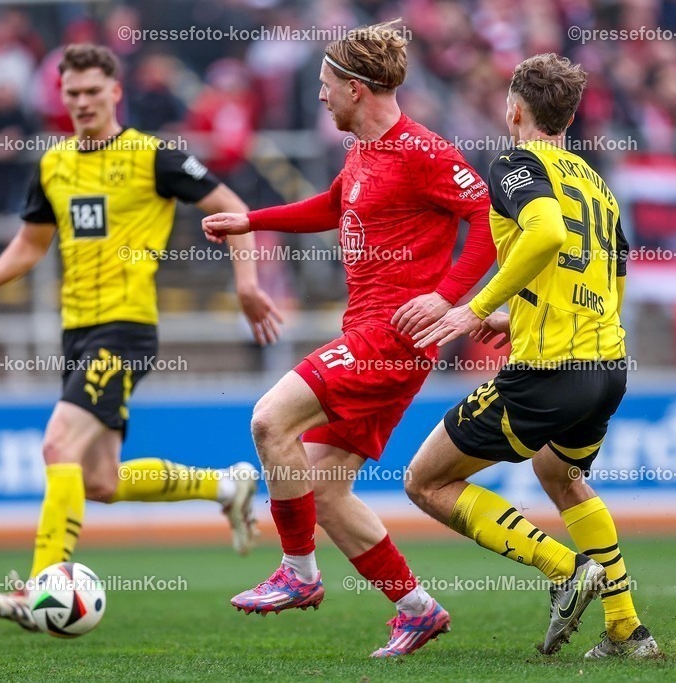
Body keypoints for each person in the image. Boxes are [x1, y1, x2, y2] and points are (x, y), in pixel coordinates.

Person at [0, 44, 283, 632]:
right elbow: (30, 243)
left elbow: (233, 207)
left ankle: (39, 586)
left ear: (114, 91)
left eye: (90, 92)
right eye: (70, 94)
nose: (80, 103)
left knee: (58, 445)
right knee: (100, 481)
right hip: (75, 331)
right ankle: (226, 483)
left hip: (125, 328)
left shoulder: (153, 157)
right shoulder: (53, 164)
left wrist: (247, 284)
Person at [202, 21, 496, 657]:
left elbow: (489, 220)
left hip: (391, 336)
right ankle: (416, 608)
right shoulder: (362, 152)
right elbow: (333, 206)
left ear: (356, 89)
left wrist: (450, 298)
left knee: (268, 421)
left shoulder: (423, 150)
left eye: (326, 85)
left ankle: (299, 574)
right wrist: (249, 220)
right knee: (325, 489)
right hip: (371, 334)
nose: (320, 97)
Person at [403, 53, 659, 659]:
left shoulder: (518, 163)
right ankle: (626, 627)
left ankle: (564, 569)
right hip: (607, 365)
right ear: (569, 118)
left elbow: (544, 233)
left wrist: (472, 307)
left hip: (551, 371)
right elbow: (612, 272)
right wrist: (510, 316)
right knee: (560, 474)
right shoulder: (596, 182)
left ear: (514, 107)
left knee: (424, 481)